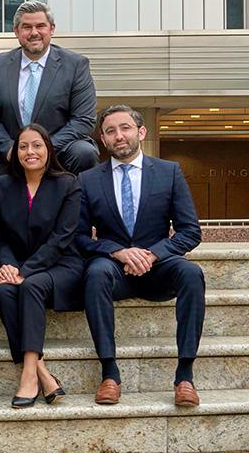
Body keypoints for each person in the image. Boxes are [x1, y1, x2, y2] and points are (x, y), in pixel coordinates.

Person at [77, 104, 204, 407]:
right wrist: (119, 252)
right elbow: (79, 237)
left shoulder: (168, 172)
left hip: (158, 269)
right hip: (114, 270)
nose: (118, 136)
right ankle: (110, 374)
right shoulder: (88, 179)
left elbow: (190, 231)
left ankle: (185, 376)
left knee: (192, 273)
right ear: (103, 140)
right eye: (110, 131)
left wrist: (152, 254)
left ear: (141, 132)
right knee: (94, 273)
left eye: (125, 128)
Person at [0, 124, 83, 408]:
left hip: (61, 264)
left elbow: (62, 238)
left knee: (29, 286)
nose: (30, 152)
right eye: (23, 146)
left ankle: (28, 375)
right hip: (17, 265)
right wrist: (8, 265)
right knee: (4, 292)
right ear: (15, 152)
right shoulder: (3, 185)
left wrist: (24, 272)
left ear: (48, 149)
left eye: (37, 145)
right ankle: (42, 371)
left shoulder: (68, 184)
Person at [0, 0, 99, 174]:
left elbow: (84, 119)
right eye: (27, 27)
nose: (34, 32)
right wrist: (10, 148)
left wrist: (44, 148)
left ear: (51, 29)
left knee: (84, 152)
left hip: (61, 153)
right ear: (16, 31)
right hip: (14, 155)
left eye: (40, 26)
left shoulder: (75, 65)